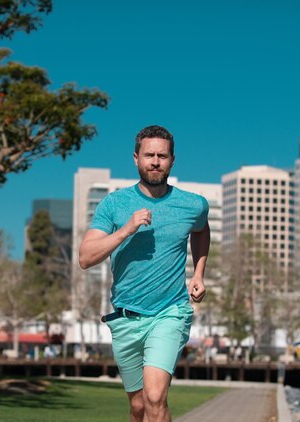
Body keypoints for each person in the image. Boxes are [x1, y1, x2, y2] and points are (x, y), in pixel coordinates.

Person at [79, 125, 210, 422]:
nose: (155, 161)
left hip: (169, 312)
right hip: (125, 317)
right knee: (138, 406)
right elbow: (86, 258)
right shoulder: (114, 204)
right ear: (136, 158)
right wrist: (126, 229)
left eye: (162, 156)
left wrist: (199, 273)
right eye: (149, 155)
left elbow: (201, 229)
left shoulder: (192, 204)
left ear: (172, 161)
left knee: (155, 397)